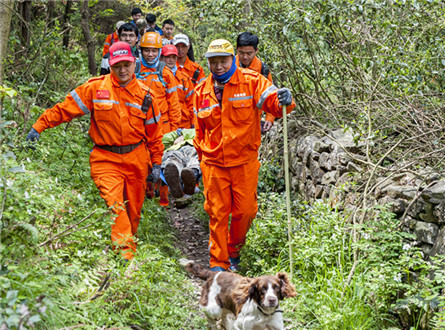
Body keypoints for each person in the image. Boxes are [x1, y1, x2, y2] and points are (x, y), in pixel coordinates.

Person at [25, 41, 164, 261]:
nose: (122, 70)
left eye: (126, 64)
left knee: (133, 212)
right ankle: (126, 258)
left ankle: (127, 244)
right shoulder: (95, 88)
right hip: (105, 159)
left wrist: (156, 164)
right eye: (117, 65)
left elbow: (155, 134)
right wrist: (39, 126)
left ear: (134, 63)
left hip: (137, 158)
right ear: (110, 65)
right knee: (116, 206)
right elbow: (65, 109)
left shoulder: (146, 96)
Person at [193, 39, 295, 272]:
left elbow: (276, 106)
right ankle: (218, 263)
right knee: (217, 213)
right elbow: (199, 131)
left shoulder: (253, 82)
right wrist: (201, 162)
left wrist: (286, 100)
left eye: (223, 61)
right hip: (214, 163)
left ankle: (234, 250)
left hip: (244, 162)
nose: (218, 66)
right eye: (213, 62)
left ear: (233, 59)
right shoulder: (200, 91)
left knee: (246, 211)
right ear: (208, 62)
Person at [137, 32, 181, 134]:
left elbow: (174, 105)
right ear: (142, 51)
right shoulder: (134, 70)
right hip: (138, 125)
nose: (150, 54)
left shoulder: (165, 73)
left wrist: (173, 132)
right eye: (146, 50)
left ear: (159, 51)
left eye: (154, 51)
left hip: (161, 126)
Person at [236, 32, 275, 133]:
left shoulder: (262, 69)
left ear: (256, 51)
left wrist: (269, 119)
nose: (245, 57)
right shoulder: (228, 66)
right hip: (232, 119)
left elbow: (271, 96)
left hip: (254, 119)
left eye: (249, 53)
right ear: (237, 49)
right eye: (241, 53)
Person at [161, 44, 195, 129]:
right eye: (168, 57)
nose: (171, 60)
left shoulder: (184, 78)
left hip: (184, 124)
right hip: (164, 125)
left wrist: (194, 124)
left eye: (173, 57)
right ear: (161, 58)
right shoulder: (157, 77)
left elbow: (191, 103)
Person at [162, 128, 200, 198]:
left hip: (193, 147)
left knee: (195, 157)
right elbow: (160, 139)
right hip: (175, 150)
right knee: (172, 162)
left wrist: (184, 135)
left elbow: (196, 132)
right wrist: (178, 134)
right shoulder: (176, 134)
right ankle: (177, 183)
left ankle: (191, 175)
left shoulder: (198, 130)